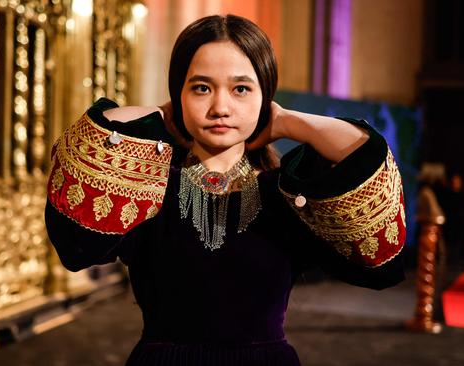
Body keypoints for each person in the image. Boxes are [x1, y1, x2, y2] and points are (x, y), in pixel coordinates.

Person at [45, 14, 406, 366]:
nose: (220, 107)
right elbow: (76, 245)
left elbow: (366, 162)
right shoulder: (146, 190)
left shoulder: (286, 197)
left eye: (241, 89)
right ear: (179, 95)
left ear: (264, 96)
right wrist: (160, 115)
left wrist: (287, 122)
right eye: (201, 88)